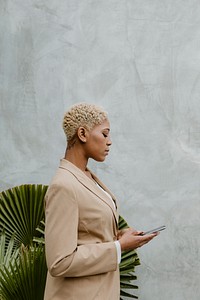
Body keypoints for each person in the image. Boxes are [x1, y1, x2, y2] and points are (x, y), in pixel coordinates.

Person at [44, 103, 158, 300]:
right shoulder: (63, 186)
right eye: (105, 134)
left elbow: (88, 233)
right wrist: (119, 247)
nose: (110, 142)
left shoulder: (86, 177)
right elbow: (59, 262)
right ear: (82, 134)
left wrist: (121, 236)